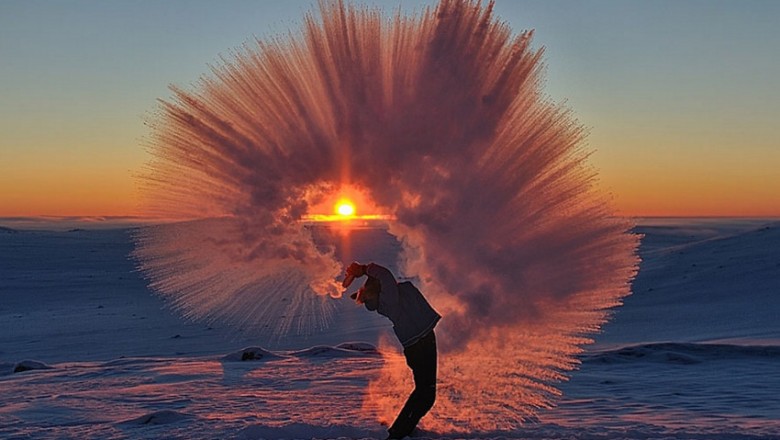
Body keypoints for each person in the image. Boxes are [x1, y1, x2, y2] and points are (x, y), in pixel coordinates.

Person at [342, 261, 441, 440]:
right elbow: (385, 275)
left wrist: (363, 273)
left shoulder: (388, 298)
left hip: (420, 342)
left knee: (425, 392)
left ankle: (403, 430)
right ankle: (398, 433)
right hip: (420, 343)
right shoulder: (389, 299)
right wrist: (363, 269)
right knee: (425, 394)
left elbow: (383, 278)